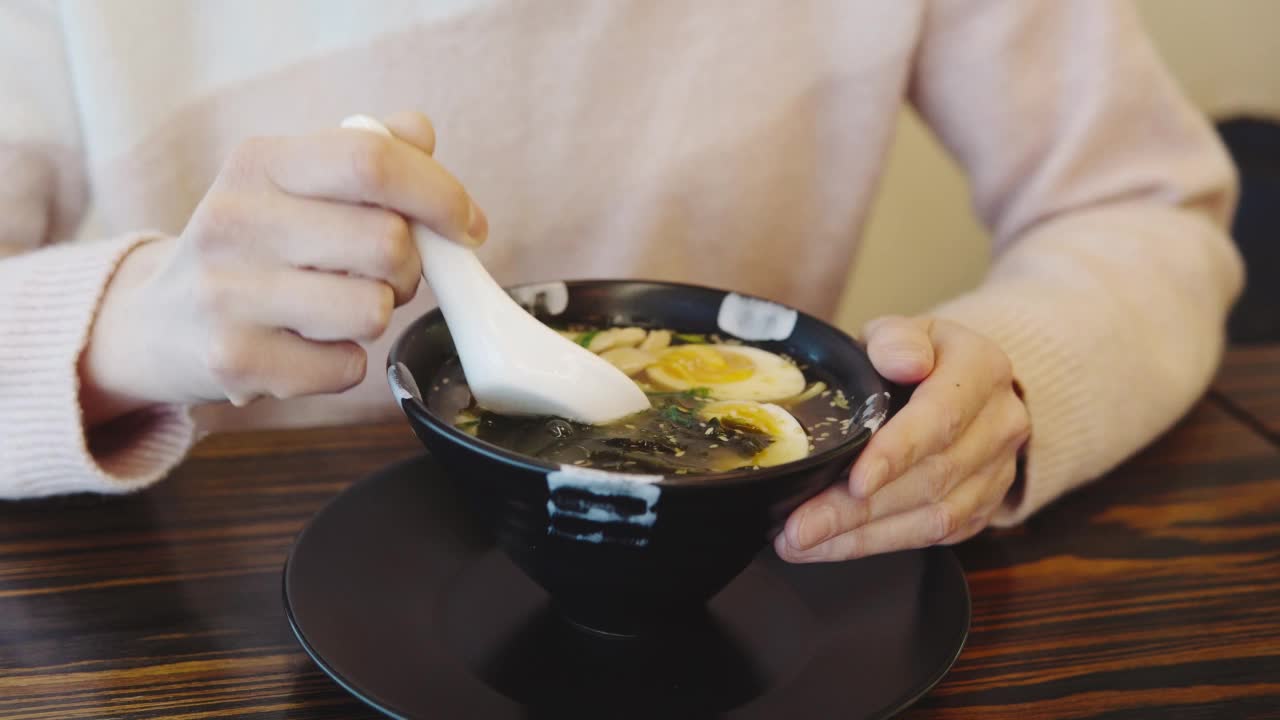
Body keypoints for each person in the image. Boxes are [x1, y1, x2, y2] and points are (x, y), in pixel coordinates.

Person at [0, 1, 1242, 564]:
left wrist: (1009, 377)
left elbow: (1143, 204)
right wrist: (119, 328)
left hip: (771, 584)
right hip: (202, 616)